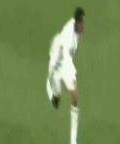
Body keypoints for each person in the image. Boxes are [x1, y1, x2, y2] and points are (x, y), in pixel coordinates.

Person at [47, 7, 85, 144]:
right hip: (58, 64)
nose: (84, 25)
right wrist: (71, 73)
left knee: (75, 95)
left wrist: (72, 80)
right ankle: (51, 89)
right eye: (82, 23)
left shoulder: (76, 29)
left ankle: (73, 140)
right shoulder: (67, 36)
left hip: (66, 62)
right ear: (77, 23)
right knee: (56, 101)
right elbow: (64, 58)